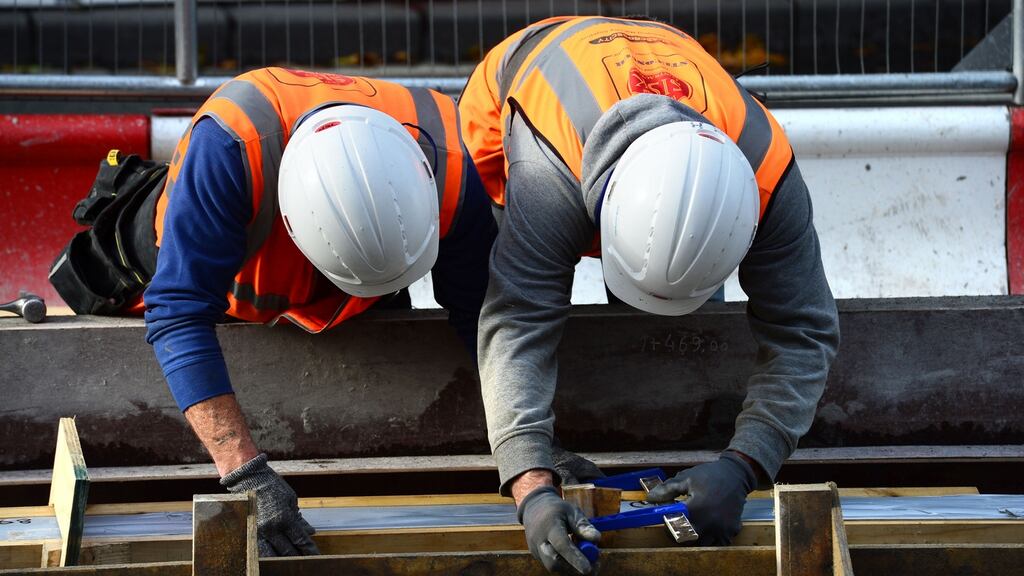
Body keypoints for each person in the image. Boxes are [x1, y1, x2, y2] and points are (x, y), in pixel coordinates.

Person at [459, 16, 840, 574]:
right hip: (524, 96)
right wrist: (532, 487)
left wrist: (744, 464)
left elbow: (804, 331)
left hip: (673, 80)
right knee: (491, 286)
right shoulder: (547, 173)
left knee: (682, 333)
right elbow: (518, 318)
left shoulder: (768, 176)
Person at [145, 67, 496, 556]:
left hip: (358, 292)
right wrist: (247, 475)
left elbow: (485, 314)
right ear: (291, 225)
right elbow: (176, 312)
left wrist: (528, 447)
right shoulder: (229, 145)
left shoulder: (454, 161)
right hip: (190, 254)